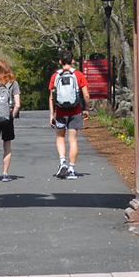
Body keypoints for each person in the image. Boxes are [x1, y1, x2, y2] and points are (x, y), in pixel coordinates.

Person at [48, 49, 90, 179]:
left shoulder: (55, 76)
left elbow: (51, 97)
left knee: (60, 137)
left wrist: (51, 114)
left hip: (60, 111)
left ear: (60, 61)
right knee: (73, 140)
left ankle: (62, 162)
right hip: (75, 110)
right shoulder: (78, 75)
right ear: (72, 61)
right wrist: (86, 109)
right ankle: (71, 169)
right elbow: (86, 95)